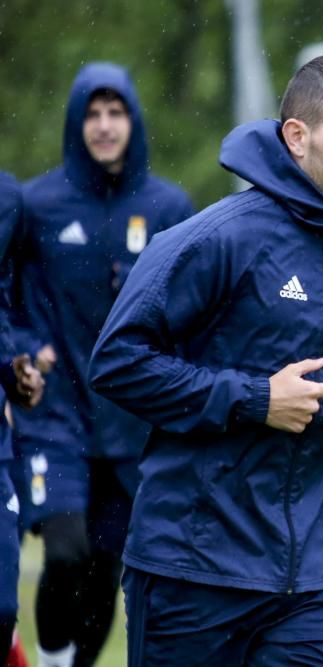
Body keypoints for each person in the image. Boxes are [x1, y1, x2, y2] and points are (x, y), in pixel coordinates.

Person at [88, 55, 323, 667]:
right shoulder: (212, 238)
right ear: (297, 136)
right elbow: (116, 362)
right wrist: (255, 399)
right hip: (194, 568)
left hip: (313, 581)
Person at [5, 62, 193, 667]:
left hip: (132, 424)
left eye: (116, 113)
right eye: (93, 113)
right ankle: (52, 660)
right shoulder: (38, 204)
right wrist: (23, 352)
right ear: (76, 121)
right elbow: (10, 296)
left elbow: (187, 307)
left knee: (107, 568)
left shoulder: (168, 206)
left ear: (133, 119)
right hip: (54, 415)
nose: (105, 126)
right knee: (65, 551)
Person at [0, 173, 45, 665]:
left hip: (2, 439)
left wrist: (18, 369)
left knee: (2, 605)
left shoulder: (11, 200)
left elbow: (12, 305)